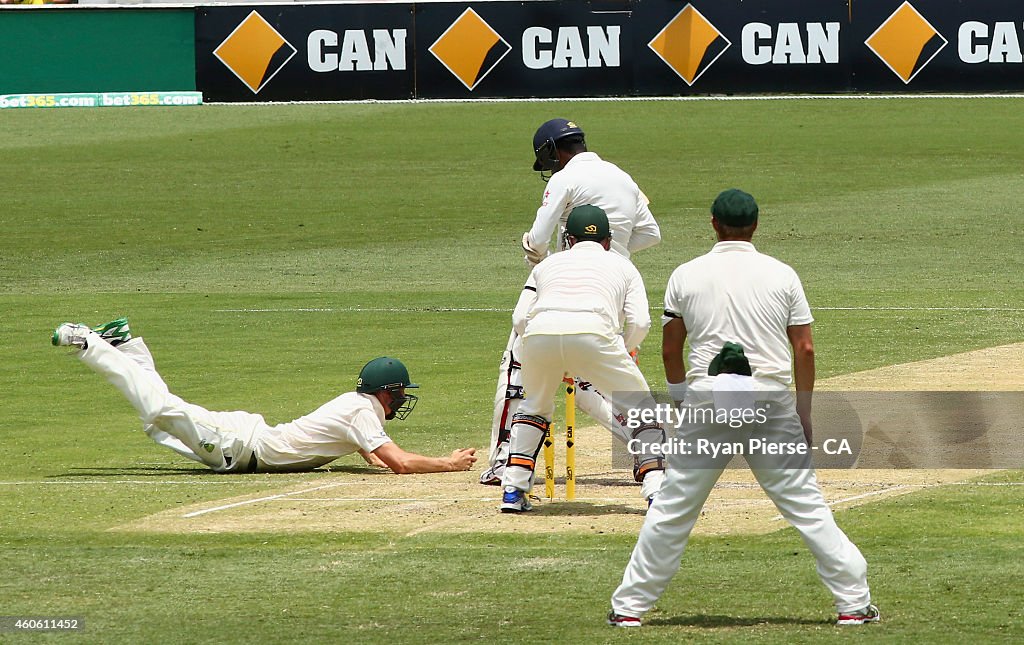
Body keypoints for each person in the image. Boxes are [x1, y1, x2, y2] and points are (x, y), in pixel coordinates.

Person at [607, 189, 878, 627]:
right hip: (770, 403)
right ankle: (854, 603)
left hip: (707, 401)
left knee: (673, 510)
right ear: (756, 225)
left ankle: (629, 608)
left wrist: (681, 403)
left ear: (713, 223)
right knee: (807, 508)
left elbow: (671, 349)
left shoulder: (686, 274)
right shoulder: (782, 274)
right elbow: (804, 349)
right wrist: (804, 412)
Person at [481, 117, 663, 491]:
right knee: (596, 380)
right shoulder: (623, 177)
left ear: (553, 152)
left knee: (518, 366)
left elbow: (538, 239)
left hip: (564, 284)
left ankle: (504, 463)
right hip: (615, 287)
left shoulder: (566, 178)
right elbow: (652, 234)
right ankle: (652, 454)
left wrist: (546, 262)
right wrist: (616, 250)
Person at [51, 318, 478, 474]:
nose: (403, 399)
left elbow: (374, 455)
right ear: (388, 392)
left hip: (246, 440)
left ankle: (125, 346)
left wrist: (385, 458)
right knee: (161, 410)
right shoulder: (361, 410)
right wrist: (449, 463)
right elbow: (397, 462)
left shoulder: (362, 410)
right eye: (401, 392)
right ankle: (88, 342)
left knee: (161, 415)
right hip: (241, 446)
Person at [499, 205, 665, 512]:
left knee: (534, 407)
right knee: (641, 408)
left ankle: (512, 489)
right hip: (594, 333)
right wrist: (621, 350)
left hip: (538, 335)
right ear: (607, 240)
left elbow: (520, 317)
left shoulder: (547, 265)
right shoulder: (624, 266)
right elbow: (640, 322)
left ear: (569, 239)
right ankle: (656, 489)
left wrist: (547, 353)